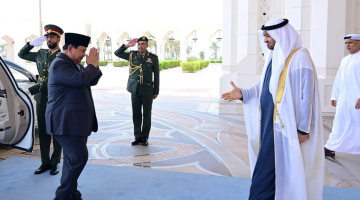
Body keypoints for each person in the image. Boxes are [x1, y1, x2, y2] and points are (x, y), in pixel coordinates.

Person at [222, 18, 324, 200]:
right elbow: (262, 86)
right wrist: (243, 93)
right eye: (264, 36)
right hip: (269, 123)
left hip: (287, 128)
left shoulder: (300, 57)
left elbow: (307, 96)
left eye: (268, 36)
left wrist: (303, 129)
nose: (265, 40)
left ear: (281, 34)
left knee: (273, 170)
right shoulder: (274, 57)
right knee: (270, 169)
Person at [45, 33, 102, 200]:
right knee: (79, 157)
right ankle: (62, 195)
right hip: (64, 122)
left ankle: (71, 193)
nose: (84, 54)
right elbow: (79, 80)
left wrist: (94, 66)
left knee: (72, 159)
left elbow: (90, 81)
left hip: (76, 122)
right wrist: (90, 66)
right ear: (70, 48)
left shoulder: (73, 63)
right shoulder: (59, 64)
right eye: (82, 50)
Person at [18, 24, 63, 175]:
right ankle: (45, 162)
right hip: (42, 99)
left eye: (52, 37)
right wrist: (30, 44)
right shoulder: (41, 54)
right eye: (47, 37)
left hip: (57, 98)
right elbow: (21, 54)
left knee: (57, 132)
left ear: (58, 38)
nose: (50, 39)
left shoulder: (63, 57)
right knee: (43, 131)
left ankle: (55, 162)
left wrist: (30, 90)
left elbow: (51, 79)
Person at [114, 36, 159, 146]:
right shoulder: (132, 55)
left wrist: (155, 91)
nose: (140, 46)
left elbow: (156, 76)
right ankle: (137, 137)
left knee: (147, 115)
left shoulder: (152, 58)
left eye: (143, 44)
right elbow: (117, 53)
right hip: (135, 90)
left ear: (147, 45)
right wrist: (127, 45)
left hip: (148, 90)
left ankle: (145, 137)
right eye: (139, 44)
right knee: (136, 114)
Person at [325, 34, 360, 157]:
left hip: (357, 99)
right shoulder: (345, 59)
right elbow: (339, 78)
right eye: (346, 43)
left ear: (359, 43)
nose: (347, 45)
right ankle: (331, 147)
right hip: (344, 98)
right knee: (339, 122)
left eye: (350, 43)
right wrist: (334, 95)